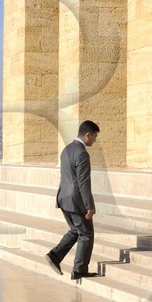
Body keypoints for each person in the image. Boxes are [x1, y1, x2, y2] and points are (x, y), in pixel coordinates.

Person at [46, 120, 100, 282]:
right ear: (88, 135)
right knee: (86, 234)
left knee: (76, 230)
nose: (95, 140)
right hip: (76, 201)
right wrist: (89, 205)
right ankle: (79, 270)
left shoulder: (67, 149)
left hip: (64, 198)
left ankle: (54, 255)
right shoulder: (82, 153)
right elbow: (83, 182)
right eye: (95, 136)